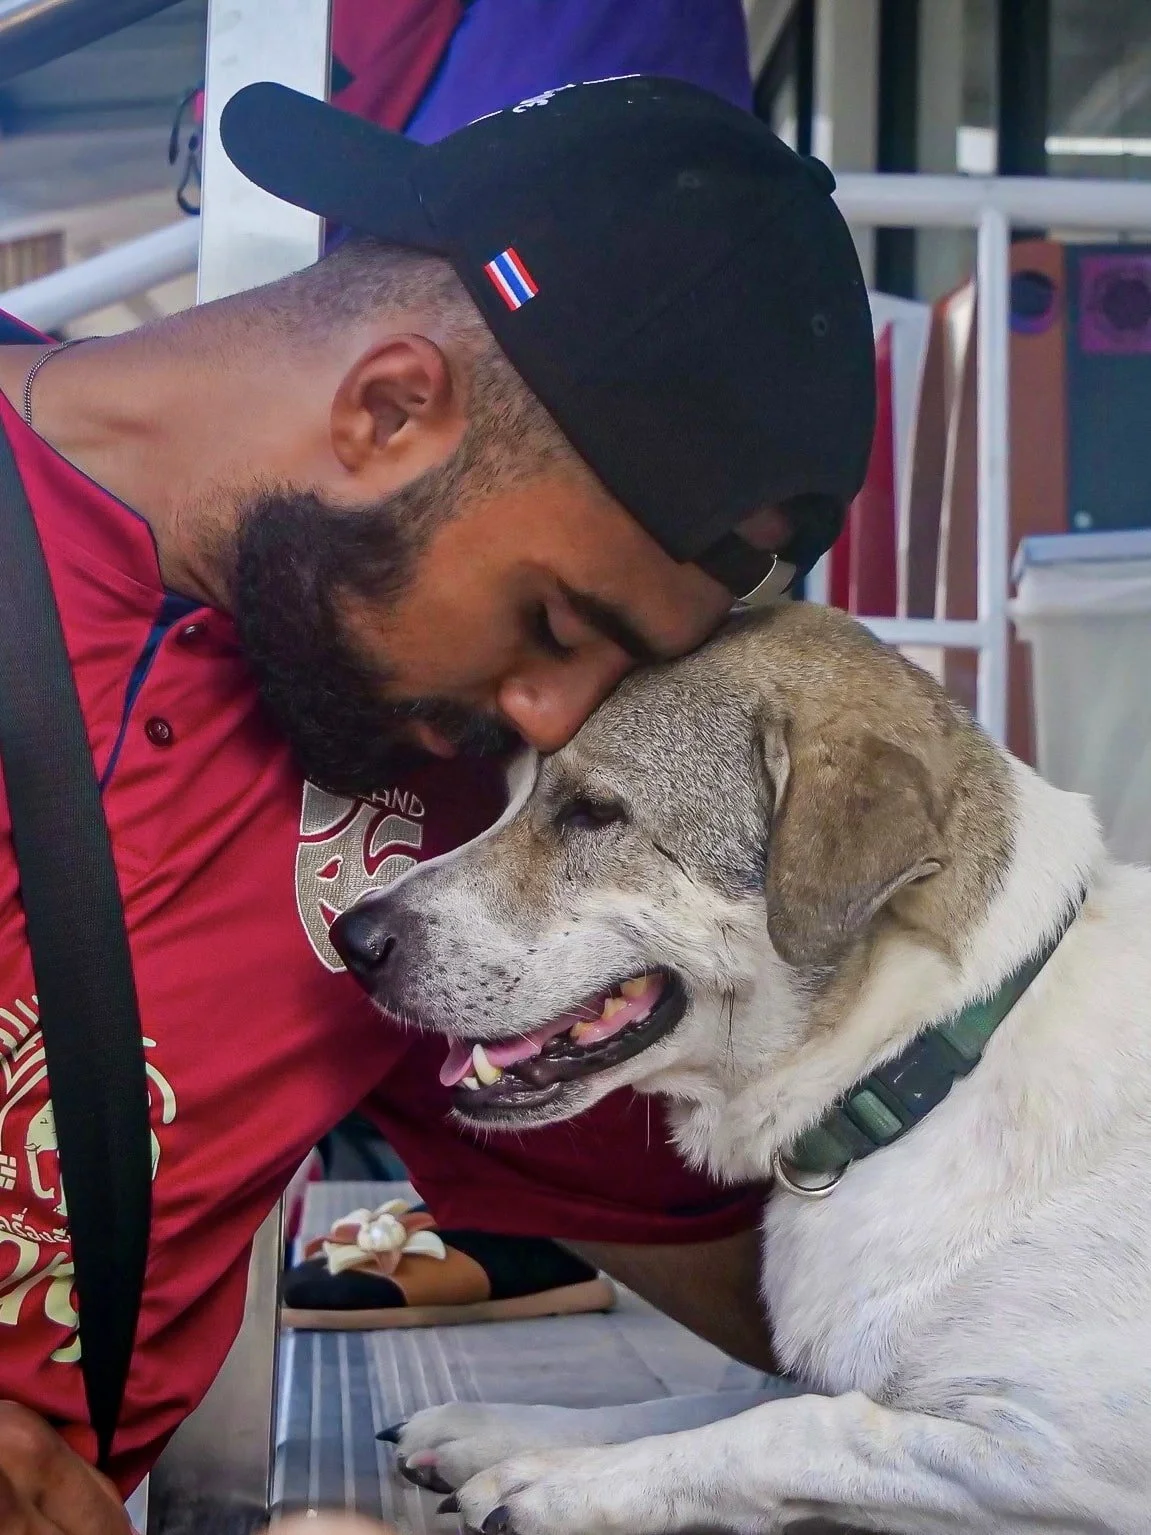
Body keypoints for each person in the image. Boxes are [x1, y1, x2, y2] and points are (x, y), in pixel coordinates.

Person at [0, 74, 874, 1531]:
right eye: (553, 622)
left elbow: (806, 1283)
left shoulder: (445, 828)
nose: (548, 718)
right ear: (391, 407)